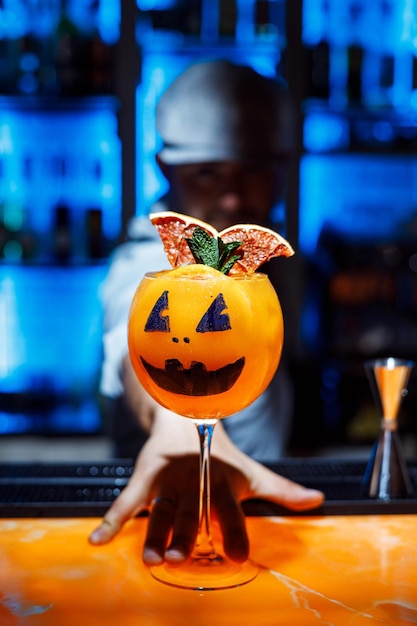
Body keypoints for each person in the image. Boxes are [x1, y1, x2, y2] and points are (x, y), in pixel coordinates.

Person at [89, 60, 324, 564]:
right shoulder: (150, 263)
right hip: (166, 515)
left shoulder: (270, 257)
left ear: (284, 171)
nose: (233, 195)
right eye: (207, 174)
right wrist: (177, 424)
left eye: (254, 172)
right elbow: (133, 348)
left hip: (263, 509)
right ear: (165, 170)